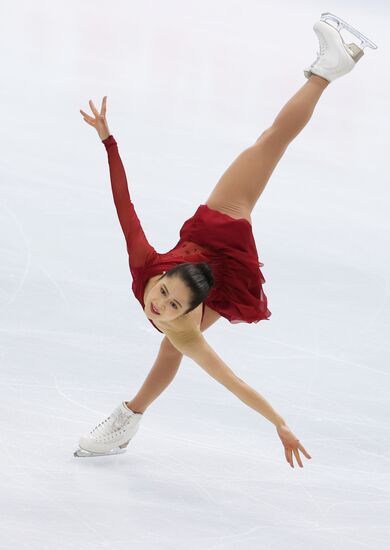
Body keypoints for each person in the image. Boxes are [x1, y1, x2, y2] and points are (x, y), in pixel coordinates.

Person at [74, 13, 377, 466]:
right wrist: (108, 141)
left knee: (270, 143)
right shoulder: (159, 283)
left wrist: (279, 423)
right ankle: (326, 72)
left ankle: (327, 71)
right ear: (165, 274)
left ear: (194, 306)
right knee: (170, 344)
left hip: (221, 228)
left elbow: (232, 382)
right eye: (165, 296)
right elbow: (126, 208)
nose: (158, 306)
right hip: (213, 252)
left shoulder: (185, 327)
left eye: (171, 305)